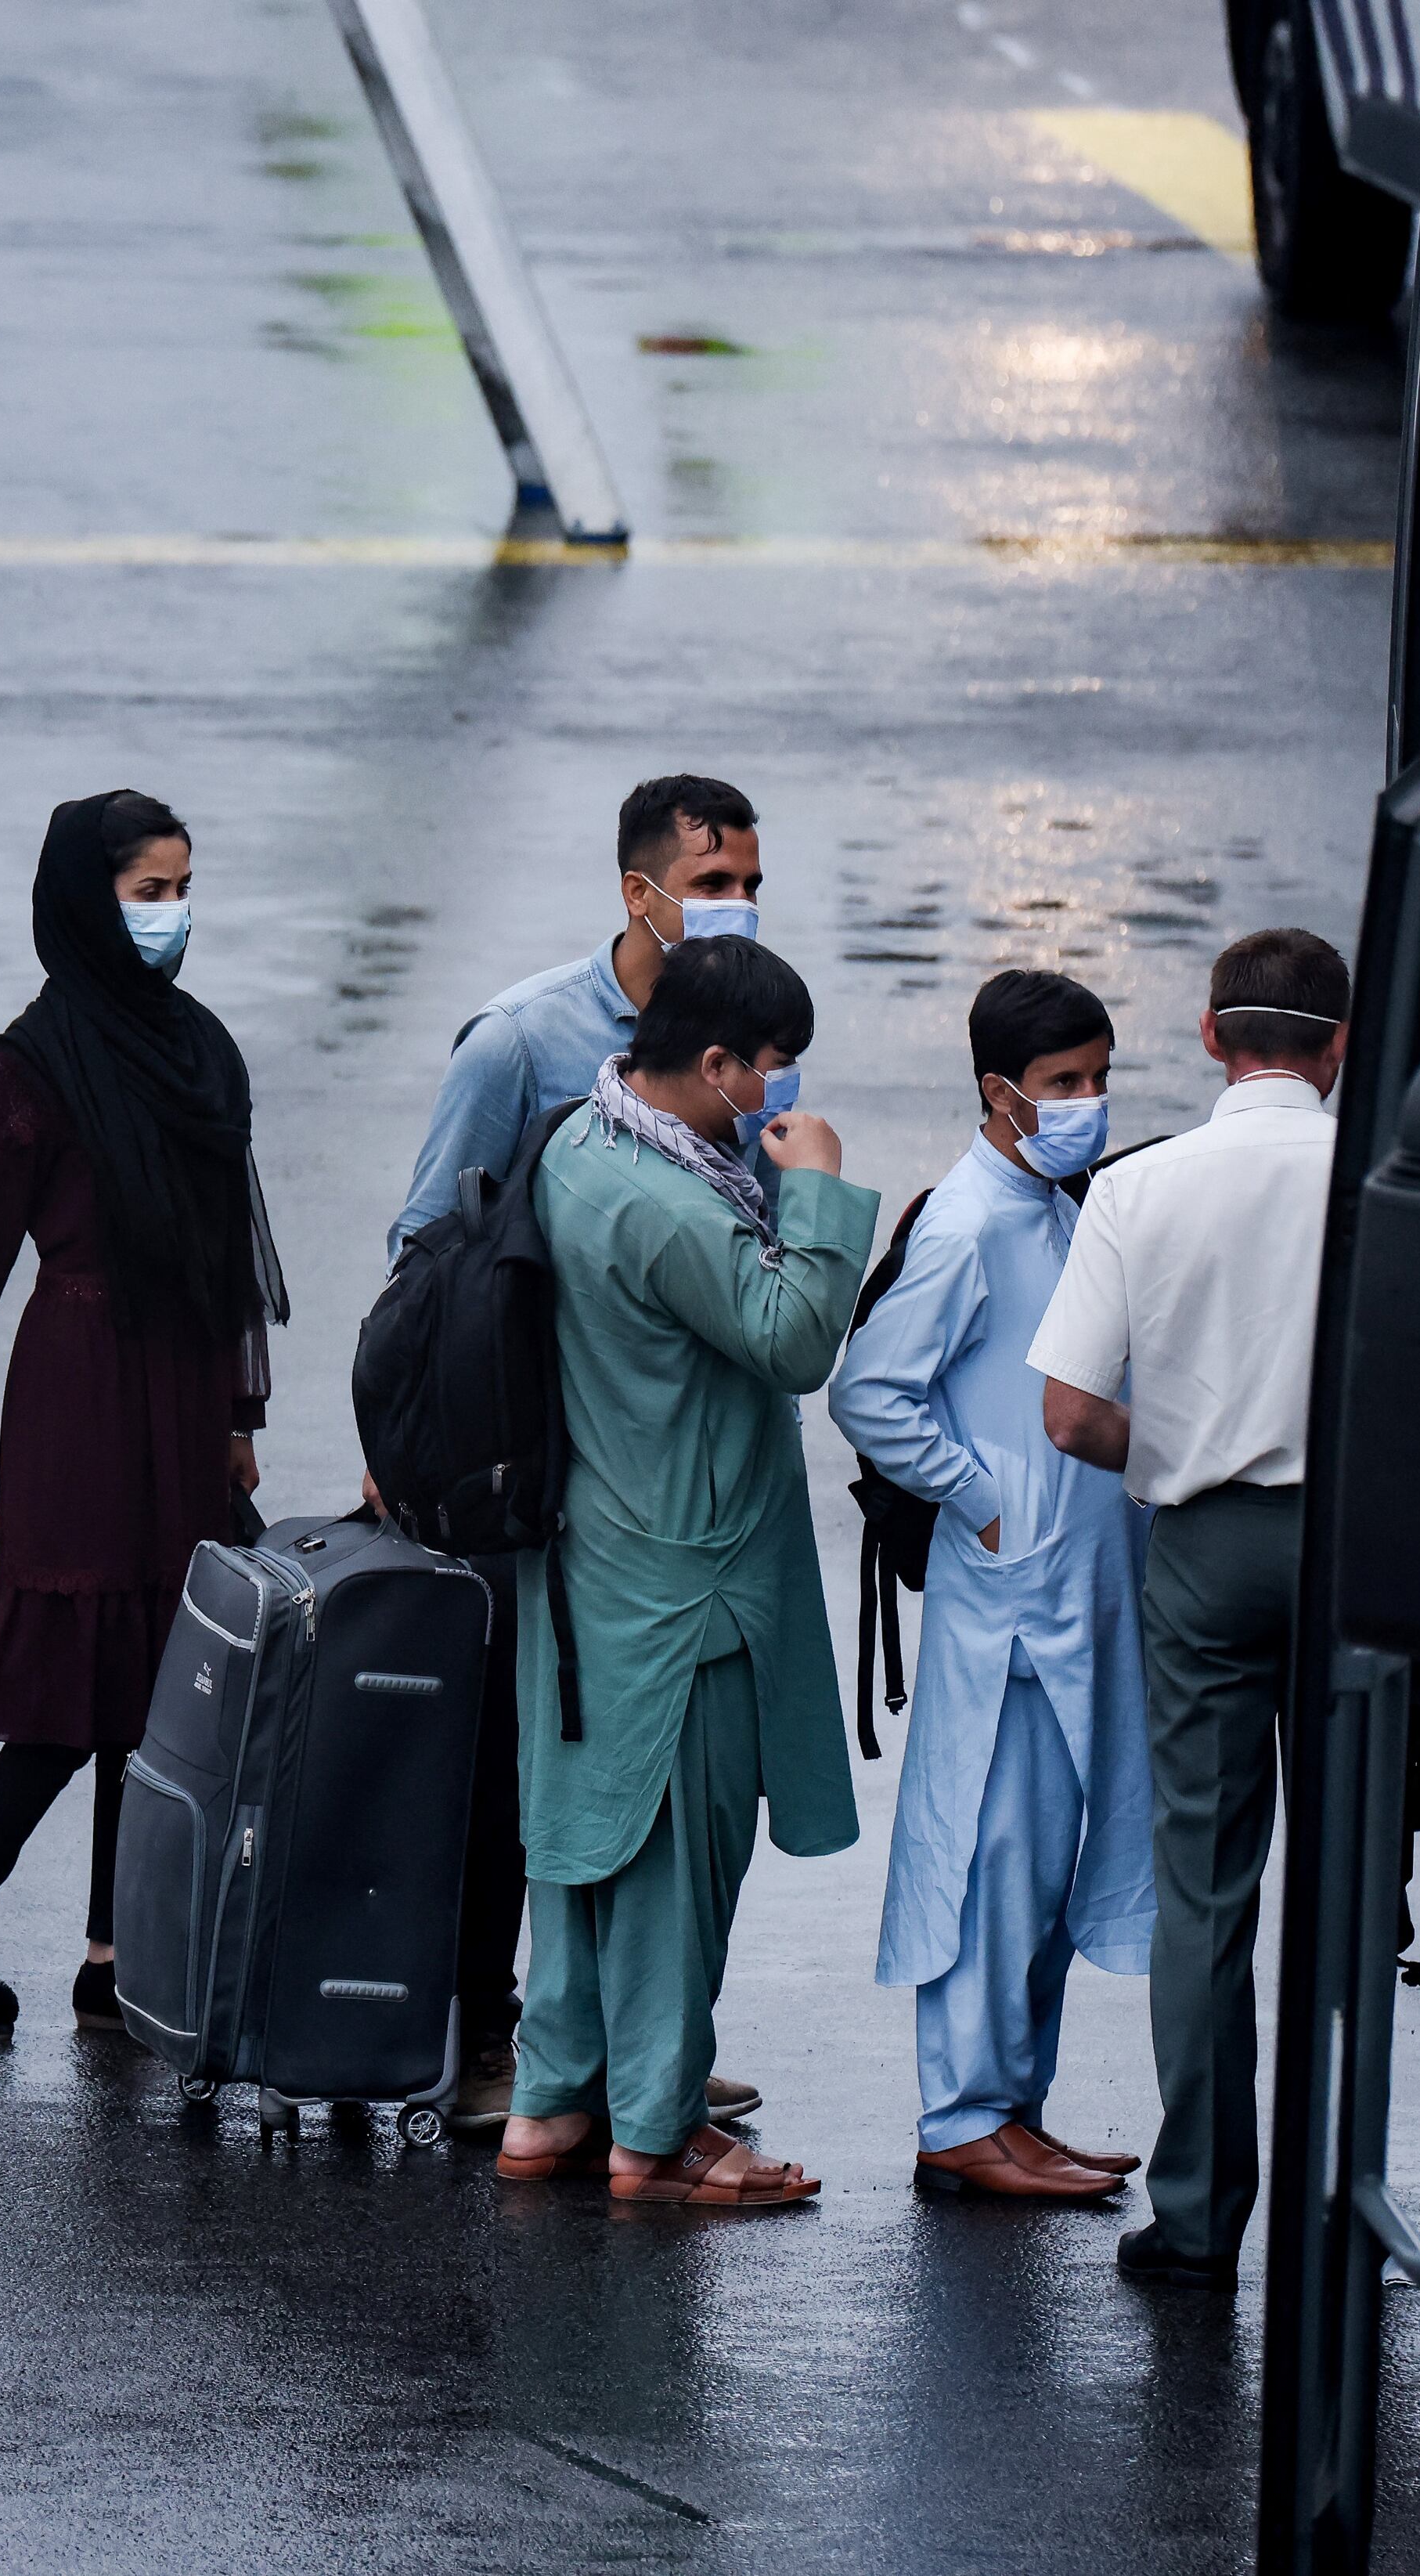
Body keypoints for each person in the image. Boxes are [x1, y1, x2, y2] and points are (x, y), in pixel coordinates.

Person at [384, 774, 773, 2134]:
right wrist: (428, 1450)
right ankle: (496, 2043)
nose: (731, 907)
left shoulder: (740, 1040)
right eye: (711, 883)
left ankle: (636, 2039)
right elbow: (427, 1248)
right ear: (639, 891)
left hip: (674, 1480)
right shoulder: (523, 1041)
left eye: (747, 887)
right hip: (533, 1471)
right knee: (520, 1765)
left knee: (658, 1770)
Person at [0, 790, 278, 2038]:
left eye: (181, 889)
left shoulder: (200, 1048)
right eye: (148, 893)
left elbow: (224, 1255)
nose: (173, 915)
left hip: (182, 1386)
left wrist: (235, 1415)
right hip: (82, 1388)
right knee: (74, 1685)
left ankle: (113, 1950)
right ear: (82, 900)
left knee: (161, 1685)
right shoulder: (29, 1068)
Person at [492, 936, 871, 2207]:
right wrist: (817, 1186)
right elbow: (794, 1336)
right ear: (712, 1066)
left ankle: (549, 2113)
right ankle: (660, 2136)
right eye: (769, 1069)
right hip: (687, 1590)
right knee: (672, 1878)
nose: (780, 1092)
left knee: (579, 1859)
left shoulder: (581, 1147)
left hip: (584, 1567)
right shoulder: (664, 1201)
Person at [1029, 927, 1349, 2289]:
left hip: (1205, 1550)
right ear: (1341, 1050)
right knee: (1350, 1892)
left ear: (1213, 1037)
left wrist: (1173, 1459)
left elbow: (1069, 1411)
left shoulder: (1142, 1187)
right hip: (1360, 1559)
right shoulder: (1397, 1179)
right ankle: (1353, 2206)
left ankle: (1206, 2216)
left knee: (1205, 1892)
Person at [826, 969, 1152, 2202]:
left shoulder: (1057, 1207)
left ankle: (1015, 2104)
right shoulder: (967, 1224)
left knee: (1047, 1859)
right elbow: (870, 1392)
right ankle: (963, 2113)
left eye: (1099, 1078)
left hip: (1069, 1589)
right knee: (992, 1858)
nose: (1090, 1102)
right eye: (1064, 1084)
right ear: (997, 1095)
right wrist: (985, 1497)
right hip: (1011, 1599)